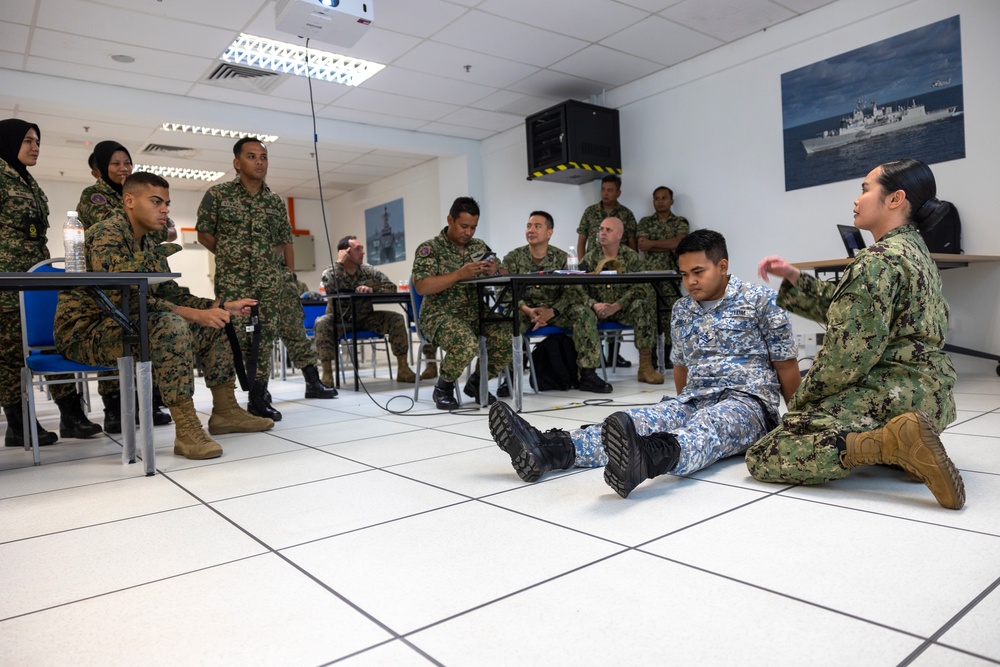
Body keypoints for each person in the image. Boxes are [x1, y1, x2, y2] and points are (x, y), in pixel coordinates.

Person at [489, 229, 801, 498]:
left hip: (748, 405)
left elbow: (786, 365)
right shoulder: (682, 310)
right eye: (684, 274)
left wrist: (800, 424)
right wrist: (678, 409)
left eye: (698, 272)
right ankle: (549, 450)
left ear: (722, 266)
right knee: (639, 420)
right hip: (694, 399)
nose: (690, 281)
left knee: (707, 426)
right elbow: (681, 366)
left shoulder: (761, 301)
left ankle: (648, 459)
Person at [749, 158, 965, 510]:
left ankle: (890, 443)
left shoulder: (876, 260)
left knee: (766, 452)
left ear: (895, 199)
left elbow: (845, 356)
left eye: (865, 189)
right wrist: (793, 277)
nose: (857, 199)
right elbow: (857, 313)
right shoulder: (916, 251)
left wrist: (801, 404)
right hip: (932, 397)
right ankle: (905, 445)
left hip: (893, 394)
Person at [54, 172, 274, 460]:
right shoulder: (105, 235)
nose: (165, 209)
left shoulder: (145, 243)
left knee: (215, 322)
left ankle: (226, 412)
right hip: (86, 331)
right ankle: (186, 429)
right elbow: (122, 302)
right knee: (170, 326)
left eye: (167, 203)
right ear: (129, 200)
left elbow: (171, 295)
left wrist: (220, 304)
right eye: (156, 201)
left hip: (123, 325)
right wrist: (191, 314)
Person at [197, 137, 336, 422]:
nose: (259, 161)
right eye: (251, 156)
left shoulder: (274, 201)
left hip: (271, 281)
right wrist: (231, 257)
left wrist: (286, 274)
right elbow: (204, 234)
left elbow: (284, 242)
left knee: (265, 337)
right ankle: (230, 402)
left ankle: (258, 397)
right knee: (236, 338)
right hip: (233, 282)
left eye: (264, 156)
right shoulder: (218, 195)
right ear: (237, 163)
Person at [0, 118, 102, 448]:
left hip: (33, 275)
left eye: (37, 141)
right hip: (7, 279)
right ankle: (18, 424)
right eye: (28, 140)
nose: (35, 147)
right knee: (11, 352)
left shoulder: (26, 180)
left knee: (55, 339)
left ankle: (70, 415)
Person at [76, 140, 174, 432]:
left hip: (141, 272)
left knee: (152, 318)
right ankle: (115, 408)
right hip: (108, 277)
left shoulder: (142, 196)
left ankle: (149, 401)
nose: (123, 168)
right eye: (115, 163)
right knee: (119, 320)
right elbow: (110, 236)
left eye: (127, 162)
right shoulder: (95, 197)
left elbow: (160, 234)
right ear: (100, 169)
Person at [412, 196, 513, 409]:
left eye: (473, 228)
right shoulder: (430, 249)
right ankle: (443, 387)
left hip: (475, 312)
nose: (468, 233)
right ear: (450, 220)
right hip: (438, 315)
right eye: (464, 226)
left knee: (506, 335)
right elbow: (422, 286)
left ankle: (477, 383)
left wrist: (495, 271)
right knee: (466, 343)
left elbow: (505, 272)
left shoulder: (479, 246)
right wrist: (459, 274)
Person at [501, 211, 610, 393]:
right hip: (527, 312)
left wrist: (553, 311)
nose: (531, 230)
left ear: (549, 233)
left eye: (537, 226)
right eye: (529, 226)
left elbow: (573, 290)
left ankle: (588, 374)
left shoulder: (563, 258)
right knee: (512, 321)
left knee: (584, 313)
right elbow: (505, 292)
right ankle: (510, 378)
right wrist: (528, 310)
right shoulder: (512, 258)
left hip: (557, 312)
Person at [313, 235, 416, 386]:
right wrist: (339, 263)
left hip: (366, 318)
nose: (363, 252)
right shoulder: (331, 271)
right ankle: (327, 374)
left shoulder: (368, 271)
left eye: (362, 248)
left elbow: (391, 287)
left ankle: (403, 368)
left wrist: (372, 288)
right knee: (321, 323)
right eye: (358, 249)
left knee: (396, 318)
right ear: (345, 252)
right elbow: (328, 287)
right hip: (340, 319)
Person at [579, 217, 662, 384]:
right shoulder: (589, 259)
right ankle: (586, 371)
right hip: (597, 310)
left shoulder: (631, 258)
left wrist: (617, 306)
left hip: (622, 309)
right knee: (580, 312)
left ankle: (645, 367)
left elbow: (642, 287)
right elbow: (576, 287)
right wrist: (594, 305)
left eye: (608, 230)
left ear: (619, 235)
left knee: (642, 306)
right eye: (601, 229)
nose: (602, 233)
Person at [637, 185, 689, 369]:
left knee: (671, 316)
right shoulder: (645, 222)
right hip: (649, 275)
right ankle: (650, 358)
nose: (660, 201)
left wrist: (653, 244)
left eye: (664, 198)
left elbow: (680, 243)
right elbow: (643, 246)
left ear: (671, 201)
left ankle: (667, 357)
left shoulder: (680, 221)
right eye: (657, 198)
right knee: (649, 314)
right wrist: (668, 245)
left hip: (672, 275)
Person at [577, 174, 638, 256]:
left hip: (619, 263)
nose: (605, 193)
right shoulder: (590, 212)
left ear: (618, 193)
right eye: (603, 189)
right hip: (594, 263)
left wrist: (633, 265)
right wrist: (582, 265)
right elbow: (582, 241)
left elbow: (632, 242)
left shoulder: (626, 214)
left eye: (609, 190)